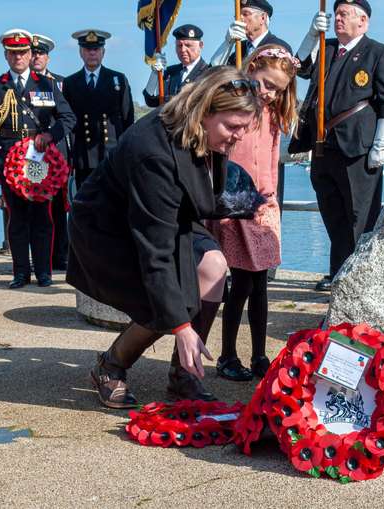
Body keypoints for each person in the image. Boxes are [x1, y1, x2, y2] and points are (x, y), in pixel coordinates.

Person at [67, 66, 262, 409]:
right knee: (166, 299)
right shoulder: (153, 152)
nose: (238, 136)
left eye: (244, 128)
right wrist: (182, 326)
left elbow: (200, 195)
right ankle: (110, 366)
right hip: (109, 230)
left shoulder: (202, 130)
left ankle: (183, 376)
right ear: (205, 111)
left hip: (162, 218)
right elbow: (155, 252)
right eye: (233, 127)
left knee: (214, 265)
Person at [294, 1, 384, 292]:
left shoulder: (379, 53)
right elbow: (299, 68)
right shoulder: (325, 47)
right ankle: (338, 273)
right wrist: (309, 36)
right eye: (336, 13)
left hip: (359, 149)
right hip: (323, 147)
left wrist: (381, 146)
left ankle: (359, 280)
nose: (336, 18)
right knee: (333, 215)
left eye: (344, 14)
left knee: (359, 219)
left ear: (362, 21)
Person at [208, 45, 298, 381]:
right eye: (263, 83)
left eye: (275, 88)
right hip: (235, 206)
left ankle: (260, 355)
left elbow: (272, 160)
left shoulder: (274, 114)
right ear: (252, 68)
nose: (267, 92)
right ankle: (227, 354)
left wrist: (271, 197)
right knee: (241, 282)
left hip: (263, 207)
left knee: (260, 284)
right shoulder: (236, 106)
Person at [0, 29, 76, 289]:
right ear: (6, 55)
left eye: (23, 52)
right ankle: (21, 273)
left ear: (30, 53)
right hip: (10, 162)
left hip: (38, 161)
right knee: (17, 220)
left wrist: (50, 135)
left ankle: (44, 273)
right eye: (13, 53)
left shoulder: (46, 84)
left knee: (42, 218)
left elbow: (69, 118)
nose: (18, 58)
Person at [63, 29, 134, 188]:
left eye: (96, 49)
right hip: (83, 155)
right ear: (81, 53)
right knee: (86, 204)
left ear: (103, 52)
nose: (92, 53)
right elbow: (68, 122)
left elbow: (127, 119)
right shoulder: (70, 83)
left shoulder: (118, 79)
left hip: (111, 152)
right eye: (88, 49)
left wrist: (126, 152)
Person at [30, 33, 71, 271]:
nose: (36, 57)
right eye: (33, 53)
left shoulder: (61, 83)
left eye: (41, 53)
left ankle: (60, 255)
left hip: (58, 154)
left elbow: (68, 119)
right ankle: (40, 256)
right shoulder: (25, 83)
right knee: (37, 208)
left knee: (59, 208)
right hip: (34, 154)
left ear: (48, 57)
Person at [143, 24, 209, 107]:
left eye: (188, 45)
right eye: (179, 45)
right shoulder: (170, 72)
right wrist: (155, 74)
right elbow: (150, 101)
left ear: (201, 45)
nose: (183, 50)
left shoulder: (208, 73)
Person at [210, 0, 292, 67]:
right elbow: (213, 75)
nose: (240, 19)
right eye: (237, 15)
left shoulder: (278, 48)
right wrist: (227, 43)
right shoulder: (240, 49)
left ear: (262, 18)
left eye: (245, 14)